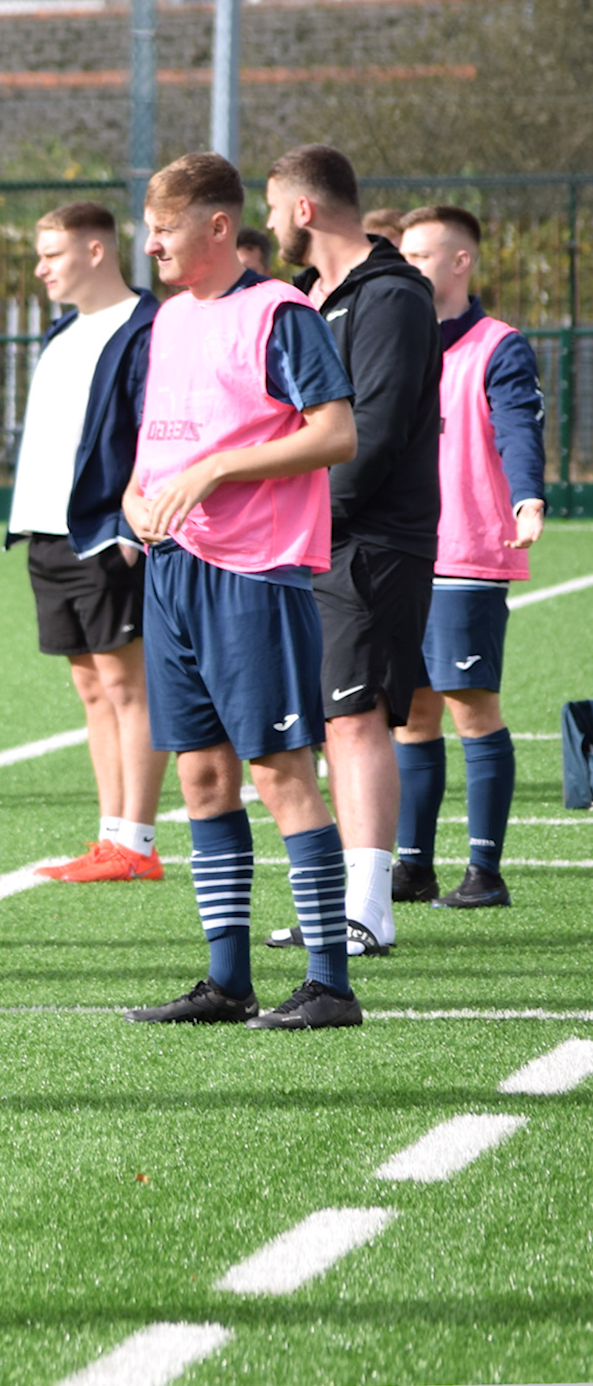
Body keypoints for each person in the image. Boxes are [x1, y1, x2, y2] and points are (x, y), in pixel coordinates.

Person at [122, 152, 360, 1031]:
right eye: (148, 230)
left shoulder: (280, 314)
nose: (152, 246)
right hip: (173, 572)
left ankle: (330, 984)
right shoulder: (167, 319)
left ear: (218, 227)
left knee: (278, 770)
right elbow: (156, 447)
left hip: (255, 573)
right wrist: (135, 499)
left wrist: (220, 468)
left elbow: (336, 434)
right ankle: (228, 979)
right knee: (202, 774)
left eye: (165, 230)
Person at [262, 145, 441, 958]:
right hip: (308, 541)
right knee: (330, 721)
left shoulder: (393, 295)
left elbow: (374, 430)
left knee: (356, 714)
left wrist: (308, 517)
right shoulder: (304, 297)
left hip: (369, 539)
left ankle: (368, 909)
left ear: (304, 209)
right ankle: (337, 904)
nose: (268, 223)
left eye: (273, 207)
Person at [387, 205, 544, 909]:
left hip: (466, 555)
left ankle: (485, 872)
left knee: (472, 708)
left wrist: (528, 497)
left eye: (420, 255)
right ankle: (412, 865)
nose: (407, 267)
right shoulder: (397, 343)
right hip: (401, 555)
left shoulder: (497, 346)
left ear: (460, 261)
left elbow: (518, 428)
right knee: (411, 714)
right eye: (402, 255)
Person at [8, 201, 168, 882]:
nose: (40, 269)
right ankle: (110, 838)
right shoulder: (62, 332)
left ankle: (139, 842)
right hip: (47, 533)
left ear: (95, 251)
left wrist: (129, 522)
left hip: (106, 536)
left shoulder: (146, 329)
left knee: (128, 685)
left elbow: (157, 431)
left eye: (52, 254)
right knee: (91, 686)